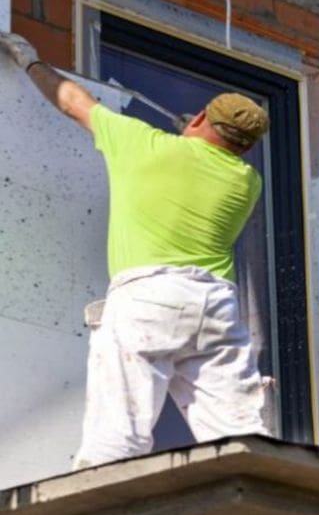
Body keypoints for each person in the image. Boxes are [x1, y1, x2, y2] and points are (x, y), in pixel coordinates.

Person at [0, 32, 272, 468]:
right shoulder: (246, 182)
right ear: (248, 146)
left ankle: (96, 507)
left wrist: (31, 60)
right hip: (215, 306)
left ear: (200, 116)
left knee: (119, 430)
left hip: (150, 297)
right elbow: (199, 164)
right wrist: (188, 137)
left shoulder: (140, 144)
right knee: (237, 431)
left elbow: (73, 101)